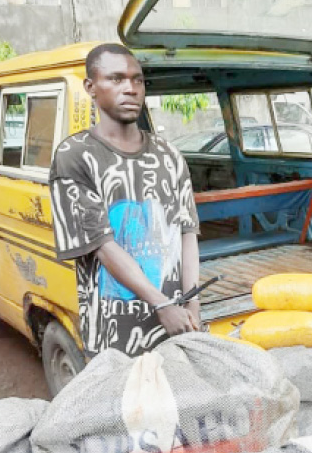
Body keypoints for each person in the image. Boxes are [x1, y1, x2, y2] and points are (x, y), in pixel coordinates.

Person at [49, 42, 201, 359]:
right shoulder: (75, 156)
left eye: (137, 80)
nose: (130, 89)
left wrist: (192, 302)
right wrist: (161, 303)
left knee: (177, 406)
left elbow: (187, 233)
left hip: (177, 328)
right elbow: (102, 245)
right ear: (91, 87)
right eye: (116, 79)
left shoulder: (169, 155)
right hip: (113, 338)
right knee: (124, 408)